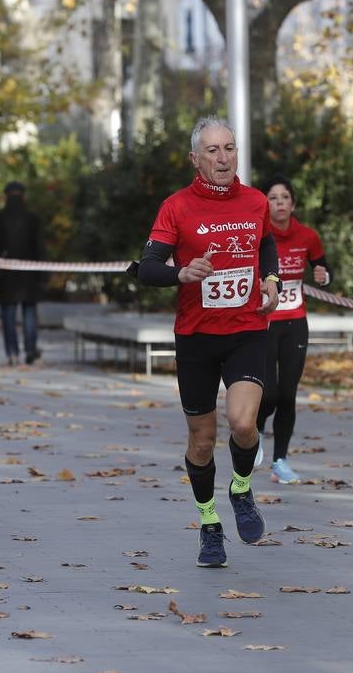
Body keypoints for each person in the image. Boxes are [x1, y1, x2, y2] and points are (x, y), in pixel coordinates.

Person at [136, 116, 280, 568]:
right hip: (196, 337)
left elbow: (265, 245)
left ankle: (240, 488)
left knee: (242, 424)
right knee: (201, 441)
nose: (223, 158)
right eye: (213, 151)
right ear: (195, 159)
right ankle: (209, 523)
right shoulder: (177, 207)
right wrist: (181, 272)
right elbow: (146, 267)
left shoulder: (255, 201)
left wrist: (272, 278)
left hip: (247, 331)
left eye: (230, 148)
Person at [255, 177, 330, 484]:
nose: (280, 202)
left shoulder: (307, 236)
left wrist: (324, 274)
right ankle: (253, 433)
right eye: (273, 198)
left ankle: (280, 461)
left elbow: (322, 267)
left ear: (293, 204)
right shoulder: (259, 235)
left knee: (287, 394)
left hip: (295, 323)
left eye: (285, 197)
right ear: (266, 205)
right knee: (268, 393)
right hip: (265, 322)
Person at [0, 181, 45, 365]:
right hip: (30, 275)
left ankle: (12, 354)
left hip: (6, 276)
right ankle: (30, 351)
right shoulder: (33, 218)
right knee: (29, 315)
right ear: (23, 196)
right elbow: (40, 248)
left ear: (5, 196)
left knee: (8, 316)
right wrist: (43, 275)